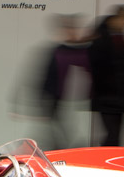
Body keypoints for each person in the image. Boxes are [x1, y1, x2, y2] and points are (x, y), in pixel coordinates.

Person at [37, 14, 90, 149]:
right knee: (58, 131)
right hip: (52, 97)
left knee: (60, 130)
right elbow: (46, 77)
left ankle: (57, 150)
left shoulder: (69, 51)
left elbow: (85, 63)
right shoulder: (59, 51)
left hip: (60, 98)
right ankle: (57, 151)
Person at [88, 6, 124, 146]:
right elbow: (97, 69)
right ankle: (102, 160)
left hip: (118, 98)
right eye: (123, 18)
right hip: (107, 97)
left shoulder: (122, 40)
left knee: (114, 135)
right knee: (113, 135)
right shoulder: (103, 40)